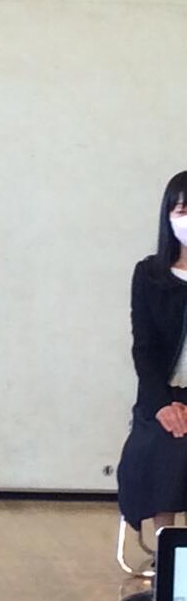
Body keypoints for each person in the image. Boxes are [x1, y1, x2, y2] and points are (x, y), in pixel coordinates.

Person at [118, 171, 187, 531]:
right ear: (168, 216)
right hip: (162, 395)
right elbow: (144, 348)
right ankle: (168, 548)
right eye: (182, 211)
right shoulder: (148, 274)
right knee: (167, 447)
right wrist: (163, 404)